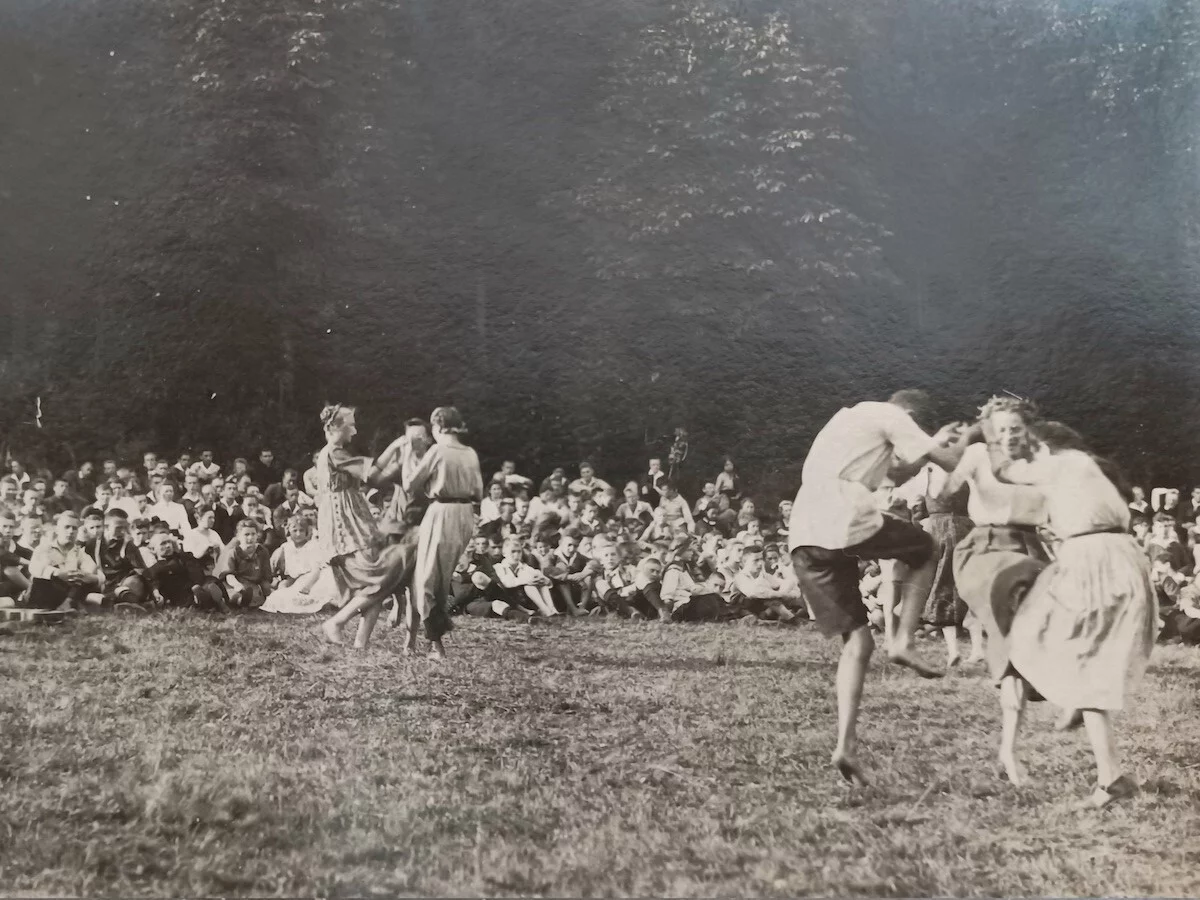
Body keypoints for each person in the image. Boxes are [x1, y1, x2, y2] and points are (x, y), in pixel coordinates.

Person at [788, 389, 971, 786]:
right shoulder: (892, 415)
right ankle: (904, 639)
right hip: (842, 512)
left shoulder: (850, 421)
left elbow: (899, 473)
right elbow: (951, 462)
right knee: (928, 547)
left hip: (804, 530)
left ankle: (845, 746)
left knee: (857, 644)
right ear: (909, 414)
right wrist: (972, 434)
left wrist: (931, 441)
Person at [992, 421, 1156, 807]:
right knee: (1069, 647)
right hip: (1109, 558)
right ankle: (1092, 737)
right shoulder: (1083, 469)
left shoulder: (1066, 463)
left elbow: (1005, 471)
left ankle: (1108, 773)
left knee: (1069, 654)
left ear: (1046, 446)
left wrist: (981, 438)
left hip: (1095, 560)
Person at [937, 396, 1051, 785]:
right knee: (1014, 598)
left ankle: (1009, 747)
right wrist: (950, 452)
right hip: (985, 550)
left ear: (1028, 429)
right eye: (999, 429)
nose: (1007, 436)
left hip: (1031, 548)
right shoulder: (978, 454)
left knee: (1025, 641)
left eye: (1015, 429)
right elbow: (942, 489)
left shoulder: (1043, 458)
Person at [313, 404, 419, 649]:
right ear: (332, 427)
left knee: (376, 578)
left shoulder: (338, 453)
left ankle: (361, 642)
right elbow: (373, 476)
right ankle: (337, 623)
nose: (355, 430)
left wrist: (399, 455)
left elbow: (376, 476)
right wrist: (396, 448)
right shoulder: (334, 453)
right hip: (346, 523)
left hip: (354, 518)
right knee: (378, 576)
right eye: (350, 424)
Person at [401, 407, 484, 658]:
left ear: (438, 427)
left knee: (426, 581)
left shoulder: (438, 450)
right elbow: (479, 492)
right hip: (465, 515)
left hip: (442, 513)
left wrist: (407, 453)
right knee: (439, 579)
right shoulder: (470, 453)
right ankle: (423, 639)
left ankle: (435, 644)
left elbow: (409, 484)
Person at [28, 511, 104, 610]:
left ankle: (69, 603)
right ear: (57, 529)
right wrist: (57, 573)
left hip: (68, 592)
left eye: (74, 528)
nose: (71, 531)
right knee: (41, 580)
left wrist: (88, 576)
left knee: (84, 581)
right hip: (46, 591)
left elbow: (98, 575)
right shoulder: (44, 548)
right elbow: (33, 568)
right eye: (67, 527)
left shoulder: (79, 552)